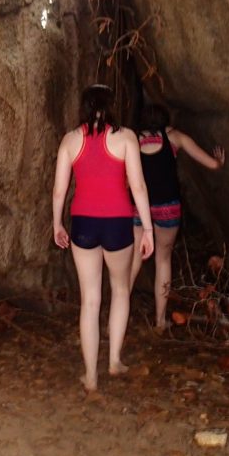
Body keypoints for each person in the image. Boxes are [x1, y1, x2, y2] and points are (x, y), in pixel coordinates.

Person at [52, 85, 154, 394]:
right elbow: (137, 185)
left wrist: (56, 223)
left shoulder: (70, 140)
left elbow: (59, 189)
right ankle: (113, 361)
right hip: (118, 225)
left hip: (83, 224)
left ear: (84, 106)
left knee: (90, 300)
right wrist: (148, 229)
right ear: (111, 105)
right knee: (120, 290)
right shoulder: (126, 138)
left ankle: (91, 377)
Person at [129, 103, 225, 330]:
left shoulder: (131, 139)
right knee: (163, 259)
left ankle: (119, 312)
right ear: (164, 120)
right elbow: (211, 164)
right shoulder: (175, 137)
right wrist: (219, 162)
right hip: (167, 208)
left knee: (134, 258)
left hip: (139, 209)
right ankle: (160, 320)